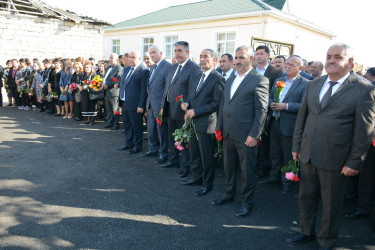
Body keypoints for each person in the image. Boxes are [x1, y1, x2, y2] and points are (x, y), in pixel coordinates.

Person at [287, 43, 375, 250]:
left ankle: (326, 240)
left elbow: (365, 130)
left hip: (337, 159)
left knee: (331, 204)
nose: (331, 60)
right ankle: (306, 231)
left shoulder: (364, 90)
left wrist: (355, 161)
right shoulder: (314, 84)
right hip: (308, 153)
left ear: (350, 62)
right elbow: (303, 119)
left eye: (338, 57)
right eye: (328, 56)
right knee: (306, 198)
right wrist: (297, 145)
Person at [211, 45, 269, 217]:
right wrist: (219, 127)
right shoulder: (231, 78)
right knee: (228, 167)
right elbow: (223, 105)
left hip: (246, 136)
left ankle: (246, 202)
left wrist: (254, 134)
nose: (237, 61)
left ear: (251, 59)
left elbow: (262, 111)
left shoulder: (259, 79)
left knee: (247, 171)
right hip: (228, 133)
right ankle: (229, 193)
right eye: (236, 57)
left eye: (242, 57)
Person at [259, 55, 309, 194]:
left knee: (289, 155)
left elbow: (304, 106)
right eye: (287, 63)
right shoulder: (279, 80)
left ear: (300, 68)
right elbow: (268, 98)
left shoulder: (305, 83)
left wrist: (285, 106)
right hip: (274, 122)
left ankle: (287, 181)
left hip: (290, 125)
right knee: (274, 152)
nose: (288, 66)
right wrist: (272, 104)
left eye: (292, 65)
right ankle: (274, 176)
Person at [180, 49, 224, 196]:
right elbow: (193, 96)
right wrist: (187, 106)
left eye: (206, 56)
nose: (202, 59)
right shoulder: (198, 75)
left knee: (206, 156)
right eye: (200, 56)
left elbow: (216, 103)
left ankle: (207, 183)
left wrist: (196, 112)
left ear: (214, 61)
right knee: (194, 153)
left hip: (207, 124)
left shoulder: (218, 78)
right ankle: (197, 177)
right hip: (193, 122)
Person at [159, 41, 202, 178]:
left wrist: (188, 111)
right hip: (170, 110)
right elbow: (167, 89)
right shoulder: (173, 68)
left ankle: (186, 167)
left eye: (180, 50)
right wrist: (162, 107)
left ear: (187, 52)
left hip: (183, 112)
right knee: (172, 138)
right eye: (176, 50)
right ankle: (173, 160)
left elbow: (193, 91)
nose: (177, 53)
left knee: (185, 141)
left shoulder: (194, 68)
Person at [254, 45, 283, 178]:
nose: (258, 56)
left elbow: (275, 93)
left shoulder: (275, 72)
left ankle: (262, 168)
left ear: (268, 56)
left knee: (263, 142)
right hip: (250, 110)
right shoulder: (252, 70)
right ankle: (253, 165)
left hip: (266, 112)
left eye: (261, 54)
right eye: (257, 53)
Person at [140, 45, 171, 163]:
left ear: (161, 53)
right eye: (150, 53)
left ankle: (163, 153)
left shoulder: (168, 66)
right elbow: (150, 87)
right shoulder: (153, 67)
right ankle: (152, 149)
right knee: (151, 129)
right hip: (151, 105)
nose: (152, 55)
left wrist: (164, 106)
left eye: (154, 52)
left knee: (162, 132)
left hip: (160, 106)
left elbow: (167, 88)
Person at [117, 51, 149, 153]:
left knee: (137, 126)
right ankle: (128, 143)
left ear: (139, 59)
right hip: (125, 103)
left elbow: (144, 91)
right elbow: (123, 85)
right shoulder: (126, 70)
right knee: (127, 125)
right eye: (130, 57)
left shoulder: (144, 71)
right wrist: (120, 99)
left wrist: (141, 105)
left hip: (136, 105)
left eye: (133, 57)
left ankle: (137, 146)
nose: (131, 59)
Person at [102, 53, 123, 130]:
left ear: (116, 59)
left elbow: (117, 80)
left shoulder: (119, 68)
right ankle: (110, 122)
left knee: (115, 109)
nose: (110, 59)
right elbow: (105, 78)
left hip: (114, 91)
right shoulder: (108, 67)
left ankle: (116, 124)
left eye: (112, 58)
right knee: (108, 109)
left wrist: (108, 85)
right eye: (109, 58)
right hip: (106, 91)